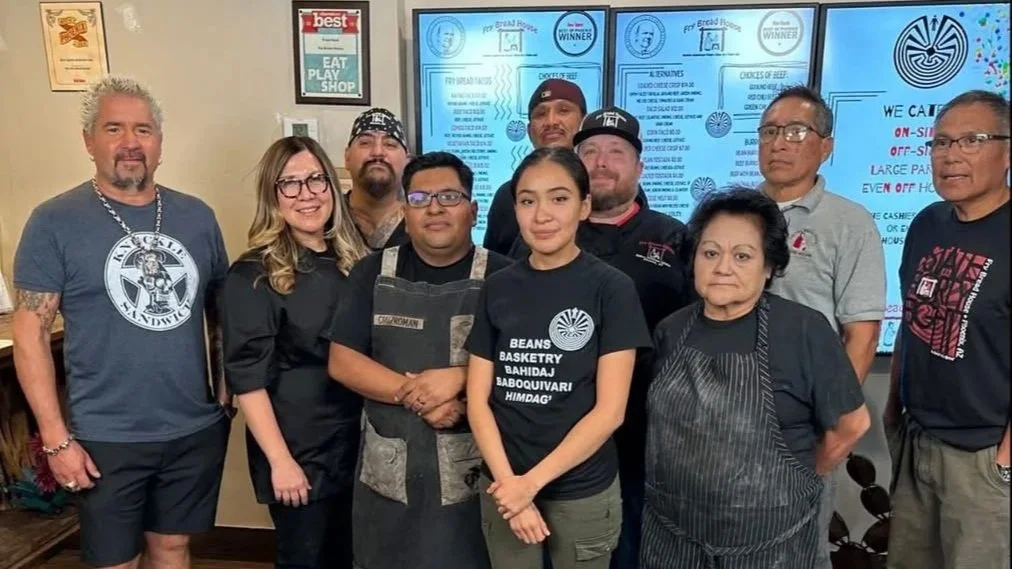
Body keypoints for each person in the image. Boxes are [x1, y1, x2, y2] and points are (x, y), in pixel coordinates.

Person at [12, 75, 231, 568]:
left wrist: (224, 390)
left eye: (144, 130)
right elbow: (29, 334)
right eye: (114, 129)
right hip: (106, 434)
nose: (131, 143)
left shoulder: (197, 217)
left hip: (191, 427)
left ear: (160, 144)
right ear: (89, 141)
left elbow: (223, 310)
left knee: (173, 546)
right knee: (115, 561)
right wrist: (55, 438)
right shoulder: (55, 221)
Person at [642, 188, 870, 569]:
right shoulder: (671, 330)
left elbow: (852, 424)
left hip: (770, 544)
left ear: (769, 267)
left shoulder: (803, 330)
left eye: (742, 256)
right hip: (671, 538)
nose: (722, 267)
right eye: (710, 253)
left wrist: (800, 477)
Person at [508, 107, 693, 568]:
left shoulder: (674, 237)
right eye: (589, 151)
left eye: (616, 152)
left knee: (626, 548)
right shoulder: (543, 235)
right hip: (544, 434)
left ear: (640, 167)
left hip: (641, 432)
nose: (602, 162)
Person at [466, 146, 652, 569]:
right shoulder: (497, 287)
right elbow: (478, 400)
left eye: (559, 198)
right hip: (503, 482)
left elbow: (610, 412)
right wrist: (511, 486)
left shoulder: (612, 289)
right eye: (528, 201)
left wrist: (529, 484)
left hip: (580, 489)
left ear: (584, 206)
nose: (542, 214)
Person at [327, 151, 513, 569]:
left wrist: (461, 378)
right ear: (403, 210)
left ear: (473, 209)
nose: (434, 208)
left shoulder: (507, 279)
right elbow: (343, 360)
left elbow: (524, 367)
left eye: (449, 196)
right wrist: (419, 394)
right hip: (390, 478)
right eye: (420, 197)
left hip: (479, 474)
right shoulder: (371, 274)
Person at [221, 136, 369, 568]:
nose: (306, 194)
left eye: (316, 179)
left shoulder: (356, 262)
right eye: (290, 184)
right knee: (305, 559)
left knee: (352, 557)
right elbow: (246, 378)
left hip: (357, 444)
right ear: (273, 196)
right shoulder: (252, 274)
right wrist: (281, 462)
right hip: (297, 450)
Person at [756, 85, 886, 568]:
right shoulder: (737, 213)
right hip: (732, 417)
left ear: (825, 145)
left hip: (804, 423)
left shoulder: (849, 223)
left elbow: (862, 335)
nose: (779, 143)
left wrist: (835, 427)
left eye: (796, 131)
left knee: (799, 548)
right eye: (769, 131)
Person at [885, 90, 1010, 569]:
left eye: (972, 140)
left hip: (983, 457)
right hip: (917, 443)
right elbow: (911, 319)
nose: (951, 155)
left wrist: (1004, 460)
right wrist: (893, 406)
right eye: (940, 143)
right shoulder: (926, 224)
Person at [483, 80, 648, 256]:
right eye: (541, 114)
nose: (551, 121)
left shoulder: (612, 186)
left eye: (563, 110)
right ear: (530, 131)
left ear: (583, 121)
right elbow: (493, 265)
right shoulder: (508, 195)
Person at [345, 107, 412, 250]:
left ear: (407, 161)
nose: (377, 152)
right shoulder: (327, 220)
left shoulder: (420, 223)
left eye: (390, 144)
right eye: (365, 143)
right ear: (347, 157)